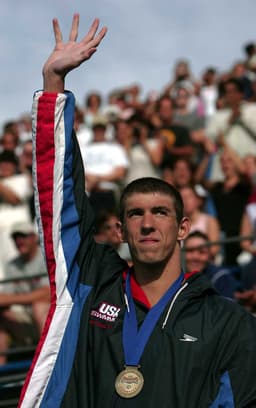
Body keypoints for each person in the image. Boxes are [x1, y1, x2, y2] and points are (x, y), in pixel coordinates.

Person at [19, 15, 256, 408]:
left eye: (160, 213)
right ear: (119, 230)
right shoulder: (88, 286)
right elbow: (60, 206)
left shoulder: (228, 322)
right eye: (135, 215)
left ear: (183, 228)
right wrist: (54, 87)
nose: (147, 223)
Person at [0, 222, 49, 365]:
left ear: (34, 237)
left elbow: (48, 294)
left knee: (39, 307)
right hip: (28, 321)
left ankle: (47, 364)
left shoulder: (46, 256)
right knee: (2, 318)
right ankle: (3, 377)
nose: (19, 240)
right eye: (15, 236)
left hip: (52, 318)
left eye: (23, 235)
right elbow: (3, 300)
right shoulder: (11, 264)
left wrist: (13, 299)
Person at [184, 230, 241, 299]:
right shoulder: (175, 278)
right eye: (190, 251)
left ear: (209, 255)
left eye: (202, 252)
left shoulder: (220, 278)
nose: (195, 257)